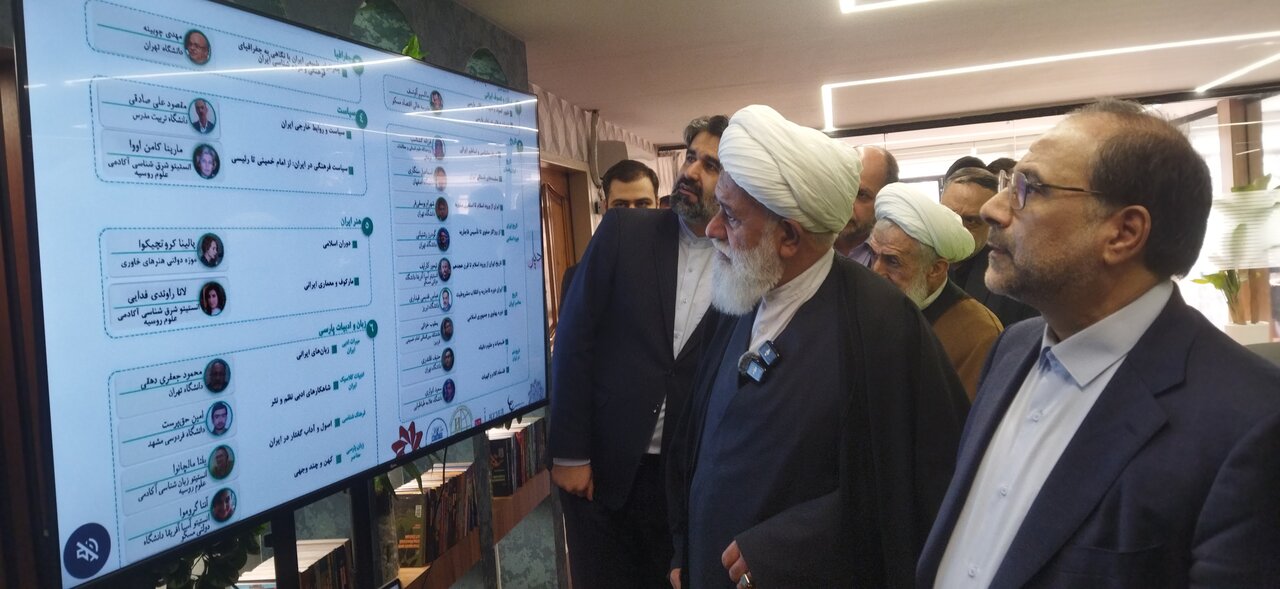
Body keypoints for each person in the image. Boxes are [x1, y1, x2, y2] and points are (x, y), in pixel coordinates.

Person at [918, 99, 1280, 588]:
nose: (993, 209)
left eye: (1029, 188)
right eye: (1008, 183)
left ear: (1123, 233)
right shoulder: (1011, 350)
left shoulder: (1250, 423)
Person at [667, 105, 968, 589]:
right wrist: (684, 545)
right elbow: (698, 433)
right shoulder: (740, 292)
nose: (713, 230)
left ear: (788, 236)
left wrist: (786, 548)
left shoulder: (882, 324)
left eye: (731, 217)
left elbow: (913, 487)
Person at [551, 114, 728, 589]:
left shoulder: (745, 259)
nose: (691, 171)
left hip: (687, 479)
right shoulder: (624, 232)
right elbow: (574, 339)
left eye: (711, 166)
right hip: (601, 472)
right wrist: (569, 454)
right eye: (691, 157)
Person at [868, 182, 1002, 399]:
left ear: (935, 269)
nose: (876, 271)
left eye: (892, 261)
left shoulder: (978, 333)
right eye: (874, 255)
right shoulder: (870, 307)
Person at [941, 168, 1039, 327]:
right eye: (949, 216)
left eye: (971, 221)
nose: (956, 229)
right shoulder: (920, 264)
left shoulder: (1015, 281)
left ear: (992, 221)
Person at [833, 145, 898, 264]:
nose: (847, 204)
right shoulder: (804, 246)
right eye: (843, 190)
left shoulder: (897, 255)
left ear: (885, 200)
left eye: (861, 195)